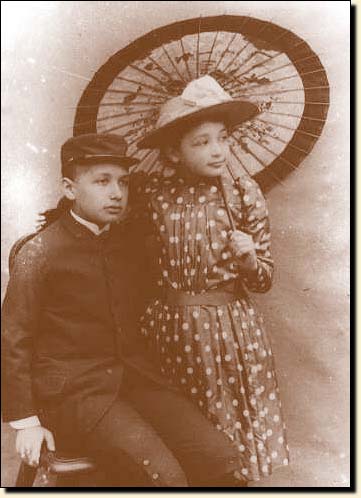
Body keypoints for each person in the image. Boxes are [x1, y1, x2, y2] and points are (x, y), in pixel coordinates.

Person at [1, 133, 243, 487]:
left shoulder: (126, 243)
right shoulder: (41, 251)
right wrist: (26, 421)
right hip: (74, 394)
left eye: (123, 182)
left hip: (134, 380)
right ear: (70, 188)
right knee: (165, 478)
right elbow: (12, 337)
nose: (117, 193)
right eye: (102, 181)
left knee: (221, 461)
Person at [133, 75, 290, 484]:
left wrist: (250, 259)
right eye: (200, 142)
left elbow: (264, 281)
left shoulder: (242, 192)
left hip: (229, 336)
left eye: (222, 138)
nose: (217, 150)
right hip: (169, 332)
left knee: (228, 445)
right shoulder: (153, 196)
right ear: (172, 151)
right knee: (183, 437)